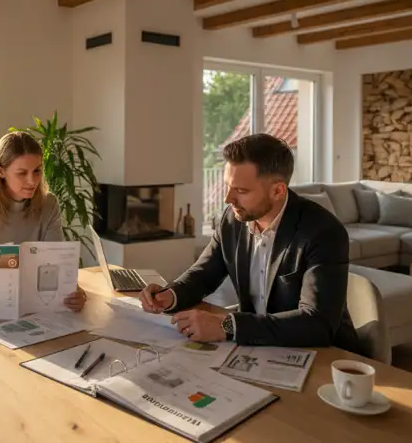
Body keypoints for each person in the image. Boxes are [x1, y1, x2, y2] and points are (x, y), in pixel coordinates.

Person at [140, 133, 360, 354]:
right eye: (228, 186)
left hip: (323, 355)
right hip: (258, 347)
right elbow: (204, 273)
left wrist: (227, 325)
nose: (228, 199)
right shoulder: (232, 219)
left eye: (241, 191)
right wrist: (170, 295)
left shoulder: (323, 232)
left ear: (277, 190)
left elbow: (317, 324)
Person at [0, 131, 87, 317]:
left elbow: (56, 265)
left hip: (35, 312)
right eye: (22, 173)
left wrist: (76, 292)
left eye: (37, 171)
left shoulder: (49, 204)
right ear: (0, 171)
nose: (32, 181)